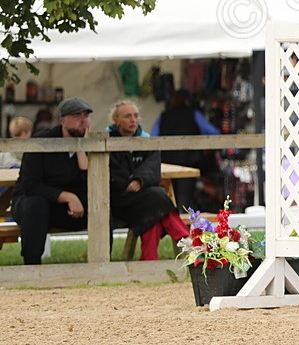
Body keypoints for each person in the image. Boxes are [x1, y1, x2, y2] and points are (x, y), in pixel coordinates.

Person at [10, 97, 92, 265]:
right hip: (31, 204)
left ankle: (102, 265)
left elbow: (91, 185)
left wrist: (81, 148)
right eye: (77, 116)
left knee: (102, 206)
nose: (83, 121)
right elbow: (31, 186)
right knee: (36, 204)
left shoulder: (93, 144)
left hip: (69, 210)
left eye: (86, 116)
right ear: (63, 121)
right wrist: (68, 196)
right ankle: (32, 267)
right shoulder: (41, 142)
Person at [108, 100, 190, 261]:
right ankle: (185, 238)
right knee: (157, 197)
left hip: (143, 198)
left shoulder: (147, 140)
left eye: (136, 116)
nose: (133, 120)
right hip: (119, 200)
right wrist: (133, 181)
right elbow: (113, 174)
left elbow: (152, 167)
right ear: (116, 119)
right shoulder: (106, 141)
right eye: (127, 116)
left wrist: (140, 180)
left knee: (153, 209)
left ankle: (149, 258)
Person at [151, 91, 220, 211]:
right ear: (187, 101)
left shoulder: (164, 116)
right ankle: (184, 222)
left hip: (168, 163)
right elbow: (213, 132)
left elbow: (153, 137)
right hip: (188, 161)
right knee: (185, 199)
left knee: (170, 198)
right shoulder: (193, 113)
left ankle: (173, 221)